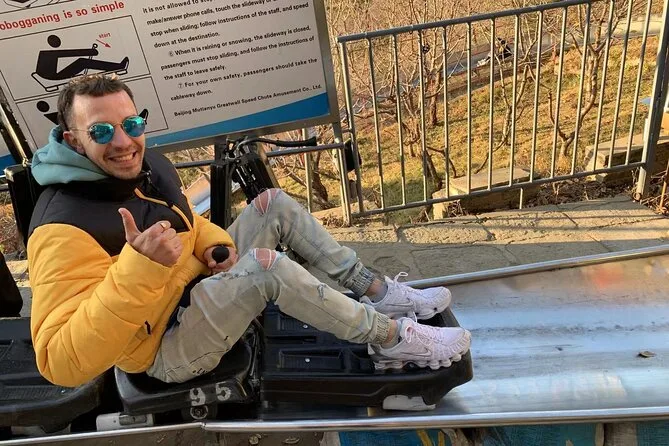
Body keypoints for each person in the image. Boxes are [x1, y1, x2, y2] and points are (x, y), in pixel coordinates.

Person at [27, 75, 471, 387]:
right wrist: (138, 270)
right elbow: (59, 362)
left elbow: (190, 223)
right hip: (165, 347)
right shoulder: (62, 227)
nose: (124, 141)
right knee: (265, 267)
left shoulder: (143, 167)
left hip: (197, 288)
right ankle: (389, 338)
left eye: (131, 124)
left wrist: (216, 245)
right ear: (73, 140)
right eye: (102, 131)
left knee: (271, 203)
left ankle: (375, 291)